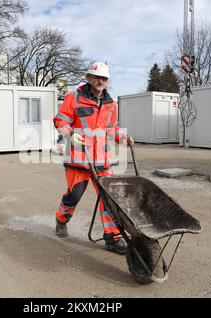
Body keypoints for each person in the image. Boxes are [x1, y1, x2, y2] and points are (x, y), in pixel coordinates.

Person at [53, 61, 134, 254]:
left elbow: (111, 128)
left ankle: (112, 238)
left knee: (109, 199)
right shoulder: (74, 98)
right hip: (78, 160)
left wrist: (123, 138)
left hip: (102, 160)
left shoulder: (111, 104)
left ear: (107, 81)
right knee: (74, 195)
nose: (100, 81)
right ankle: (61, 220)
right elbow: (61, 120)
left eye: (104, 78)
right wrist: (71, 135)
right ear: (88, 78)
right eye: (96, 77)